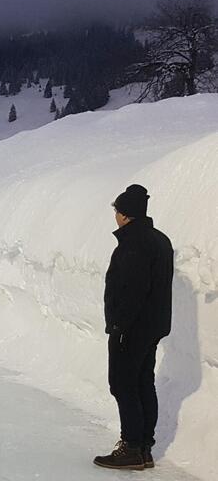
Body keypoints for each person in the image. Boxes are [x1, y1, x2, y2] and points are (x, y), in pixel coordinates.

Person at [93, 185, 173, 471]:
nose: (115, 215)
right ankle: (143, 449)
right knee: (142, 383)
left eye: (117, 210)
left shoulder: (134, 244)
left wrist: (119, 325)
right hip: (151, 327)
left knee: (124, 385)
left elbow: (133, 290)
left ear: (125, 215)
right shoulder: (159, 240)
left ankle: (131, 447)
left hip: (132, 328)